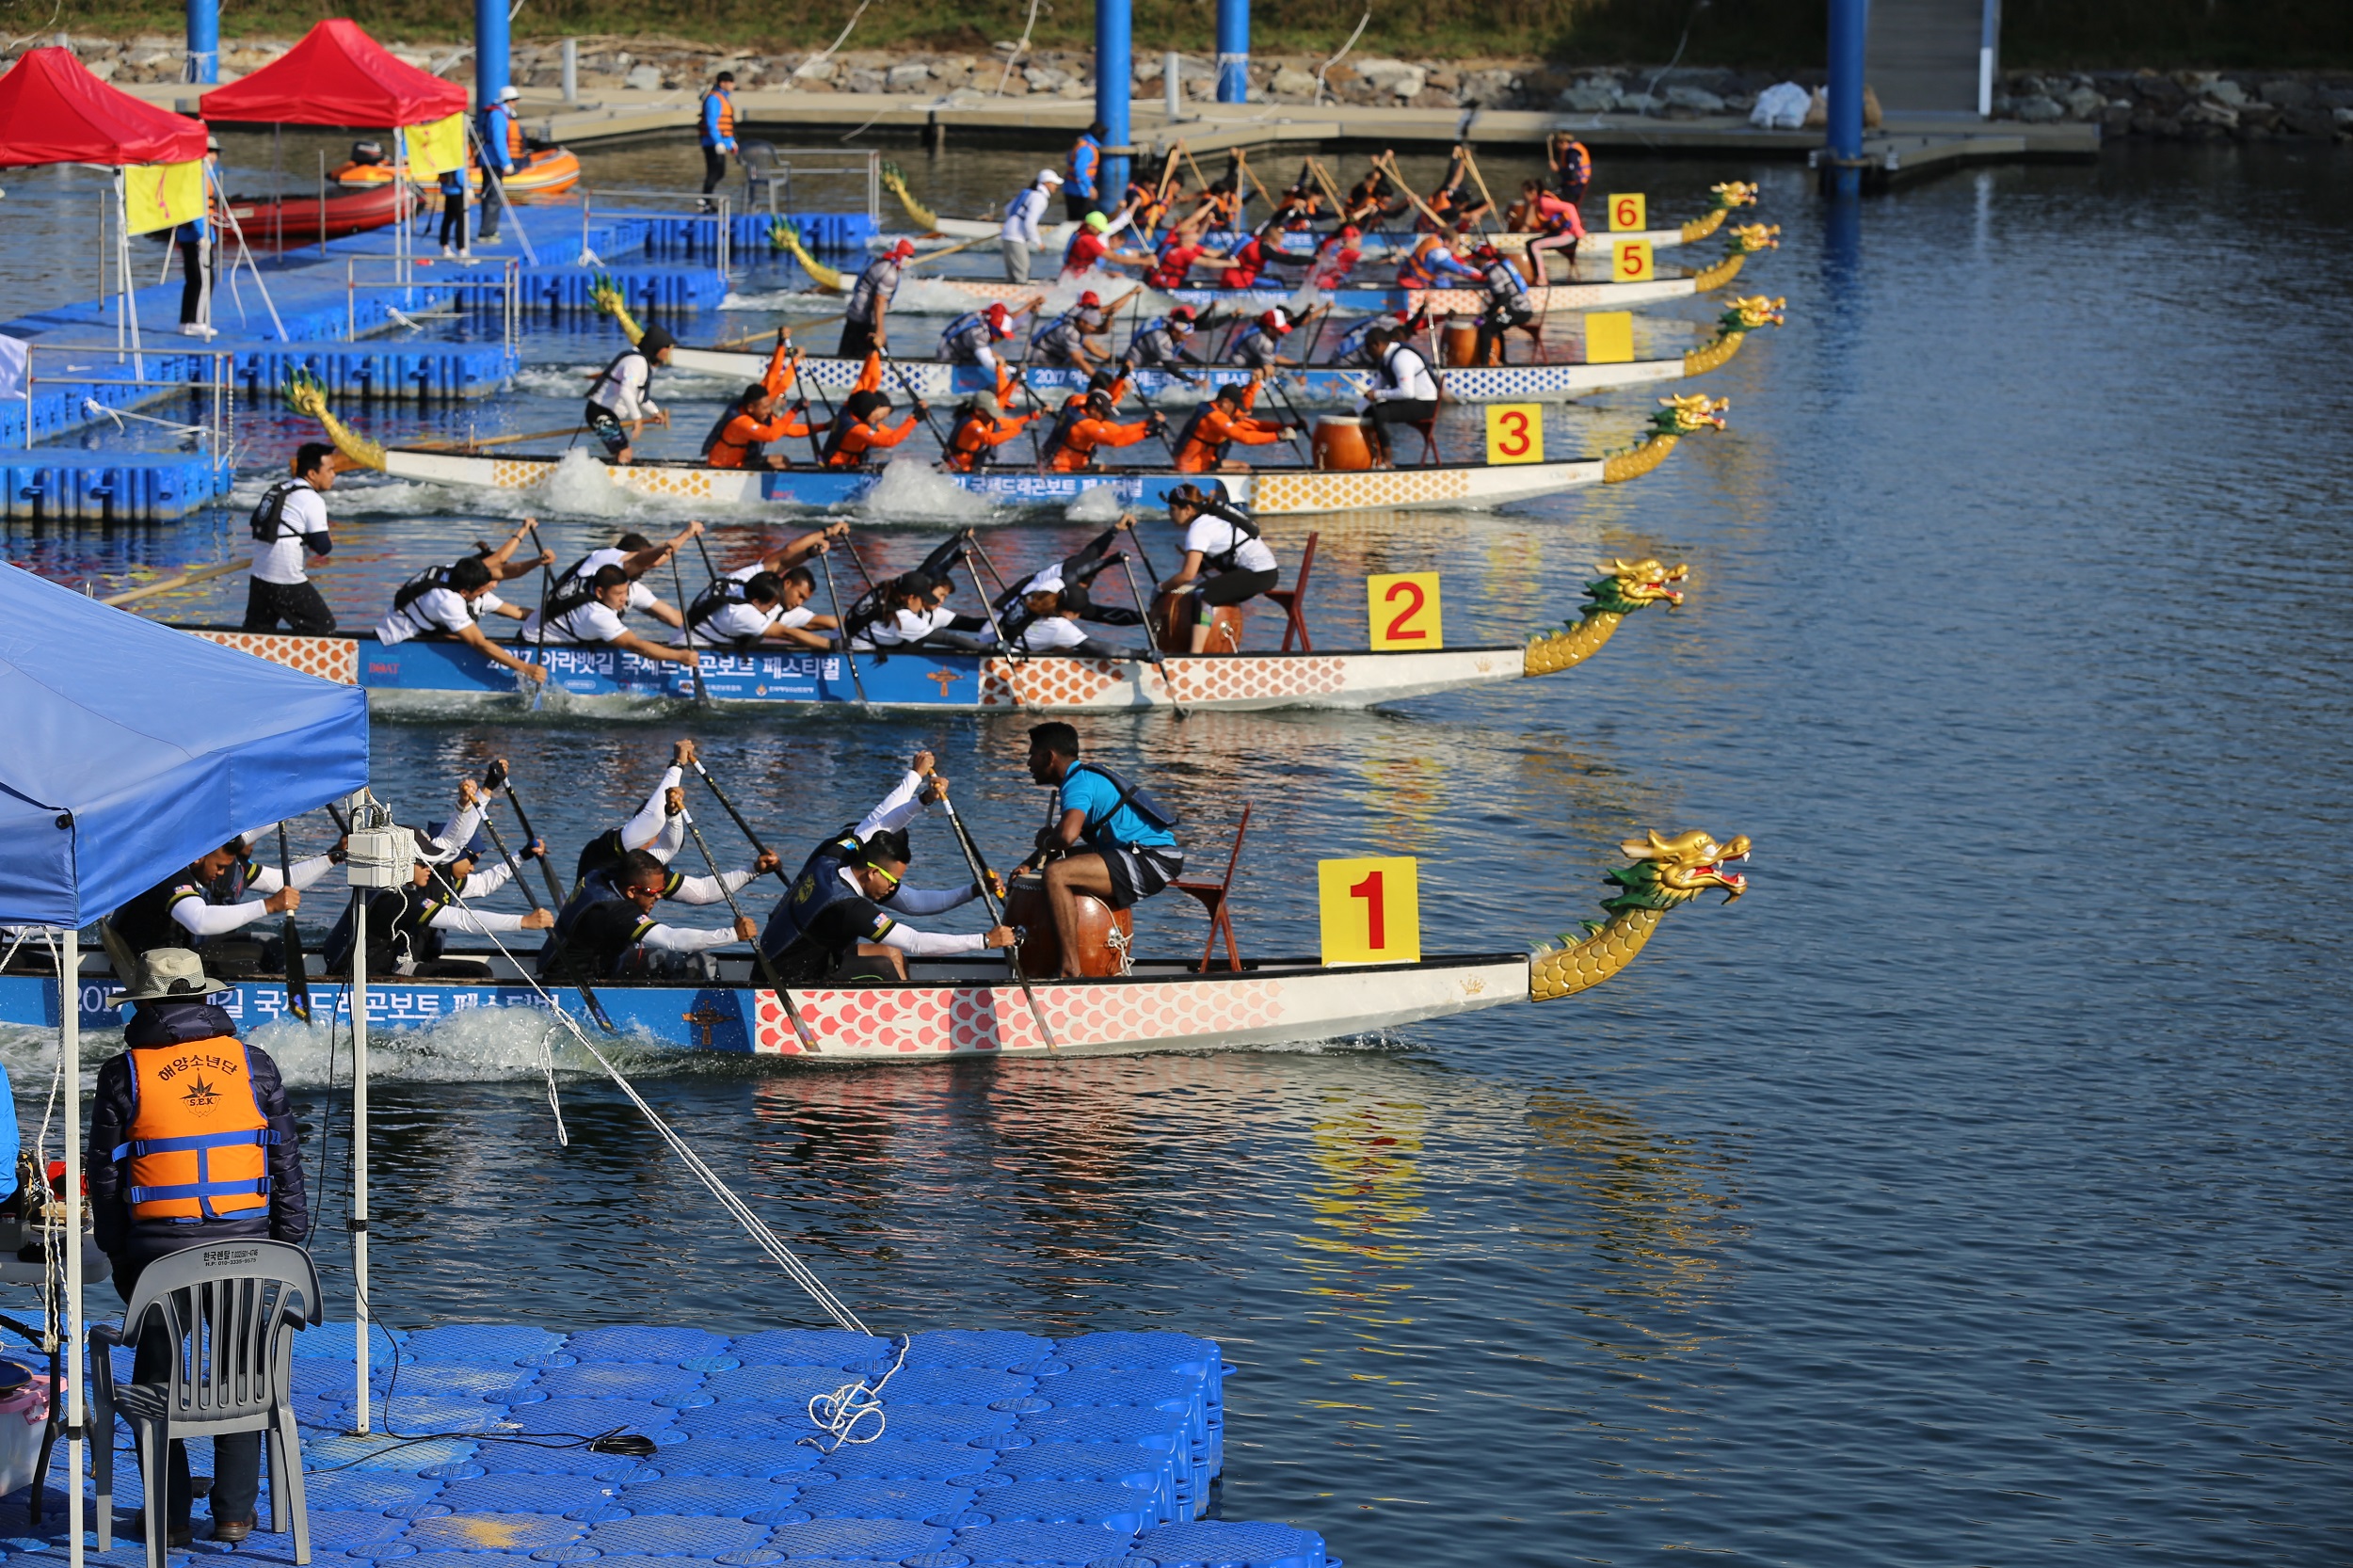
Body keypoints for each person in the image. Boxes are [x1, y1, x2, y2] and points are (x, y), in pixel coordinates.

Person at [88, 948, 309, 1548]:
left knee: (156, 1375)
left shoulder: (122, 1073)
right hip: (250, 1252)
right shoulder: (255, 1064)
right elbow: (285, 1165)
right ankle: (235, 1513)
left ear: (145, 1005)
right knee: (243, 1368)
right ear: (205, 999)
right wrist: (286, 1247)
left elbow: (104, 1181)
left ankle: (170, 1514)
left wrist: (119, 1256)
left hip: (158, 1257)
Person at [760, 754, 1014, 983]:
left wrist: (924, 798)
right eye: (892, 880)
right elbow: (916, 942)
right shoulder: (851, 908)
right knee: (885, 965)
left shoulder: (832, 856)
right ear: (872, 871)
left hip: (779, 953)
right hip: (790, 979)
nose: (894, 887)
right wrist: (985, 940)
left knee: (892, 952)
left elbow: (880, 824)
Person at [320, 796, 555, 979]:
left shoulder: (381, 887)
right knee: (480, 974)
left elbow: (479, 877)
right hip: (370, 976)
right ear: (402, 862)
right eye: (423, 861)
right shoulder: (400, 900)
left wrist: (479, 797)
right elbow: (461, 919)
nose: (430, 868)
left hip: (377, 968)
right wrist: (522, 922)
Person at [1024, 723, 1183, 977]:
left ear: (1049, 756)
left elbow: (1066, 837)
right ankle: (1077, 964)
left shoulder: (1077, 783)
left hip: (1154, 858)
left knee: (1056, 874)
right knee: (1062, 866)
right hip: (1143, 854)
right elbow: (1072, 846)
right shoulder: (1084, 777)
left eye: (1031, 754)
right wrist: (1030, 862)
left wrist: (1045, 841)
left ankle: (1068, 969)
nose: (1028, 763)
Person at [107, 832, 340, 960]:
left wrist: (334, 856)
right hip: (142, 963)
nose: (220, 873)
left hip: (182, 951)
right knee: (260, 953)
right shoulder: (170, 873)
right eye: (218, 866)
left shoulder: (225, 864)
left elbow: (282, 882)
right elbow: (199, 920)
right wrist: (268, 907)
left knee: (274, 944)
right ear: (198, 857)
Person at [541, 850, 758, 980]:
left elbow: (703, 890)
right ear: (632, 891)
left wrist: (754, 868)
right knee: (697, 961)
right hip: (576, 983)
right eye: (654, 893)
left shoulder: (604, 873)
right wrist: (732, 935)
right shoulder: (616, 912)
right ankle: (707, 1019)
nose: (660, 897)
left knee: (660, 955)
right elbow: (673, 940)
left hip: (573, 963)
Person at [376, 554, 549, 683]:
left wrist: (537, 561)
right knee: (468, 638)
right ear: (465, 592)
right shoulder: (447, 602)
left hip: (422, 628)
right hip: (393, 642)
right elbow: (479, 643)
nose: (486, 594)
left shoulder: (456, 573)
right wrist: (525, 668)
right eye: (481, 591)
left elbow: (503, 574)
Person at [673, 525, 848, 648]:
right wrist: (833, 645)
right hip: (690, 651)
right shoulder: (742, 614)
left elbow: (785, 555)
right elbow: (787, 634)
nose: (800, 603)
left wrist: (821, 539)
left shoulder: (745, 578)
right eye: (800, 596)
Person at [1157, 480, 1281, 649]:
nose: (1169, 514)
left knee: (1203, 595)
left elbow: (1187, 575)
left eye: (1172, 509)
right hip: (1263, 572)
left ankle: (1195, 655)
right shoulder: (1211, 518)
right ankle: (1214, 649)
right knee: (1207, 590)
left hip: (1259, 573)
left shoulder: (1198, 529)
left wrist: (1161, 588)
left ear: (1187, 509)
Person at [520, 565, 701, 667]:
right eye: (617, 594)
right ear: (599, 592)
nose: (624, 599)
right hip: (538, 646)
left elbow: (673, 617)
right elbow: (636, 646)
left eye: (626, 591)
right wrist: (679, 657)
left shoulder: (606, 585)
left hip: (567, 633)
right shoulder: (596, 614)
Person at [244, 441, 338, 634]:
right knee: (323, 627)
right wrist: (324, 538)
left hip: (259, 573)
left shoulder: (278, 490)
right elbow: (323, 547)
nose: (333, 475)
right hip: (284, 577)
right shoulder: (312, 500)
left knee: (258, 632)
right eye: (329, 470)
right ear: (312, 474)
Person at [550, 524, 700, 631]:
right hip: (550, 633)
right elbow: (651, 561)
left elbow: (676, 619)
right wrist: (685, 534)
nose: (645, 570)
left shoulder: (630, 588)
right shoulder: (603, 558)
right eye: (642, 564)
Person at [585, 326, 674, 464]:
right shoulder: (636, 363)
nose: (669, 352)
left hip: (608, 414)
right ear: (656, 347)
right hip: (599, 413)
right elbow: (626, 391)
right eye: (667, 347)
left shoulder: (642, 363)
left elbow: (639, 396)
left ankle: (609, 476)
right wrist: (637, 420)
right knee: (624, 452)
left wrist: (654, 412)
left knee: (621, 452)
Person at [845, 571, 994, 652]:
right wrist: (991, 648)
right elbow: (948, 639)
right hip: (852, 653)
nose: (925, 603)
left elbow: (967, 624)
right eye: (923, 599)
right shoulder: (903, 619)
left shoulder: (886, 591)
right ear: (911, 598)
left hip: (851, 639)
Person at [1360, 322, 1441, 467]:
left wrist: (1377, 395)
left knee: (1380, 413)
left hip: (1426, 404)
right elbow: (1376, 387)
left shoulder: (1400, 358)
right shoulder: (1386, 359)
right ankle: (1371, 458)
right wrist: (1355, 412)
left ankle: (1387, 461)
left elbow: (1406, 392)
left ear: (1376, 345)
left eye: (1367, 348)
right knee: (1368, 412)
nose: (1367, 352)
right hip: (1413, 401)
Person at [1172, 378, 1293, 473]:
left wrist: (1292, 426)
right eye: (1235, 406)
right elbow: (1246, 437)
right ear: (1225, 402)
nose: (1236, 411)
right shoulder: (1215, 418)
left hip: (1204, 462)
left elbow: (1254, 426)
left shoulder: (1210, 408)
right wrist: (1278, 436)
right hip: (1192, 469)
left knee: (1243, 466)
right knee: (1244, 470)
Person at [1043, 388, 1161, 473]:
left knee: (1108, 468)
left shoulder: (1077, 408)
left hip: (1066, 465)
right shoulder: (1085, 425)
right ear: (1093, 409)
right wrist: (1147, 433)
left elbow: (1119, 430)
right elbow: (1117, 440)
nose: (1105, 417)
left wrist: (1147, 423)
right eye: (1104, 413)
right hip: (1063, 470)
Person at [173, 136, 220, 338]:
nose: (215, 156)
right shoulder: (198, 175)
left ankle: (186, 322)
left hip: (190, 236)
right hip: (196, 237)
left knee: (194, 280)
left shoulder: (198, 174)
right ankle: (197, 321)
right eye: (211, 151)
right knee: (204, 280)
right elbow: (196, 208)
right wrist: (203, 236)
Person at [937, 299, 1036, 392]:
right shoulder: (977, 332)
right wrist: (1014, 372)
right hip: (949, 356)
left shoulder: (988, 322)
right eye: (1001, 335)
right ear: (994, 329)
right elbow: (988, 362)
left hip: (967, 351)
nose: (1001, 339)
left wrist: (1030, 312)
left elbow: (1017, 324)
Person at [840, 237, 915, 360]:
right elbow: (879, 300)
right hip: (866, 322)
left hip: (854, 315)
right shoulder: (890, 274)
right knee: (879, 359)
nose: (909, 261)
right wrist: (880, 330)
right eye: (908, 257)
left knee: (847, 355)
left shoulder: (880, 263)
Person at [1471, 240, 1543, 366]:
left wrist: (1485, 316)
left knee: (1486, 328)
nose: (1473, 262)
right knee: (1495, 324)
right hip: (1518, 308)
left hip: (1520, 311)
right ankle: (1502, 361)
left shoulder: (1494, 272)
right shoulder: (1499, 266)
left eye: (1475, 259)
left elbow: (1503, 298)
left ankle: (1484, 366)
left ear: (1483, 259)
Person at [820, 388, 926, 467]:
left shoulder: (859, 417)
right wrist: (913, 420)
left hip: (849, 467)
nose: (882, 419)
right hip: (836, 469)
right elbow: (889, 441)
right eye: (881, 415)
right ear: (873, 407)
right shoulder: (857, 429)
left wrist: (917, 415)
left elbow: (891, 435)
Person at [945, 389, 1044, 472]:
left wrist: (1037, 414)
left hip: (972, 467)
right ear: (978, 411)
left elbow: (1013, 424)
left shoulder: (988, 420)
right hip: (957, 469)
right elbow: (991, 439)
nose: (993, 417)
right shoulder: (972, 424)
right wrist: (1021, 429)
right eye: (990, 413)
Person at [1000, 168, 1063, 284]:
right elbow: (1030, 222)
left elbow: (1007, 209)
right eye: (1054, 184)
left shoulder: (1028, 193)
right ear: (1047, 183)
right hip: (1016, 236)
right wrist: (1038, 242)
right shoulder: (1040, 198)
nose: (1056, 187)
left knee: (1012, 274)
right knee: (1022, 273)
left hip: (1008, 233)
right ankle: (1019, 297)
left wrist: (1013, 223)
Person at [477, 84, 521, 241]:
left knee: (493, 196)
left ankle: (489, 230)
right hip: (492, 161)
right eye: (515, 99)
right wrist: (506, 162)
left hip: (492, 159)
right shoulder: (498, 116)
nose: (516, 103)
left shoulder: (501, 114)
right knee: (493, 197)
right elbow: (498, 141)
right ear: (508, 100)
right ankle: (487, 232)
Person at [1519, 177, 1586, 282]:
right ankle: (1536, 276)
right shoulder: (1537, 204)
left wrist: (1577, 229)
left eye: (1524, 194)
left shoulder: (1544, 201)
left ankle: (1541, 278)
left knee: (1534, 245)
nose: (1523, 197)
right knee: (1529, 243)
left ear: (1532, 192)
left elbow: (1570, 207)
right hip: (1561, 235)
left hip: (1569, 237)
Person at [1121, 306, 1207, 385]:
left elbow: (1181, 352)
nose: (1186, 339)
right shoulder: (1161, 338)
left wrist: (1202, 364)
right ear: (1174, 332)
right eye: (1185, 335)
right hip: (1135, 362)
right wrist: (1194, 381)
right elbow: (1169, 366)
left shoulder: (1175, 334)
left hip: (1151, 361)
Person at [1032, 291, 1113, 373]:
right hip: (1043, 359)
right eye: (1093, 306)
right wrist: (1097, 378)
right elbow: (1083, 355)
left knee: (1090, 358)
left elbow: (1099, 332)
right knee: (1082, 358)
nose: (1096, 310)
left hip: (1060, 357)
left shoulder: (1083, 318)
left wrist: (1109, 318)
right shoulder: (1072, 326)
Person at [1232, 308, 1322, 371]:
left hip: (1250, 363)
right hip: (1240, 366)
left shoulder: (1258, 328)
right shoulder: (1261, 340)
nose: (1282, 334)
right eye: (1280, 331)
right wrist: (1297, 367)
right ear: (1270, 328)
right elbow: (1272, 364)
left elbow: (1294, 324)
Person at [699, 72, 738, 211]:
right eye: (731, 82)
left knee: (719, 172)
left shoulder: (723, 98)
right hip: (711, 143)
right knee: (715, 171)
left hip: (721, 141)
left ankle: (706, 200)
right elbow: (711, 122)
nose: (733, 85)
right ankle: (704, 201)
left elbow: (726, 125)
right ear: (723, 83)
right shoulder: (714, 99)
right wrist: (717, 142)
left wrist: (731, 142)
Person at [1396, 228, 1478, 290]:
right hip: (1414, 282)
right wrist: (1479, 276)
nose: (1457, 249)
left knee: (1444, 280)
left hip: (1405, 274)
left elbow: (1452, 258)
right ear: (1447, 242)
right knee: (1447, 284)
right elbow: (1458, 269)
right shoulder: (1438, 252)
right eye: (1456, 246)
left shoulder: (1432, 239)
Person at [1065, 121, 1106, 220]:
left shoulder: (1081, 144)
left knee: (1079, 219)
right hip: (1078, 192)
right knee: (1083, 220)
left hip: (1073, 190)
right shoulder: (1086, 149)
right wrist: (1090, 188)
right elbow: (1079, 170)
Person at [1548, 131, 1593, 206]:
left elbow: (1572, 174)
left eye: (1557, 143)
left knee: (1547, 198)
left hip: (1574, 188)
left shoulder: (1572, 153)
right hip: (1574, 187)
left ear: (1563, 142)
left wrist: (1558, 169)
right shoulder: (1572, 150)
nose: (1557, 146)